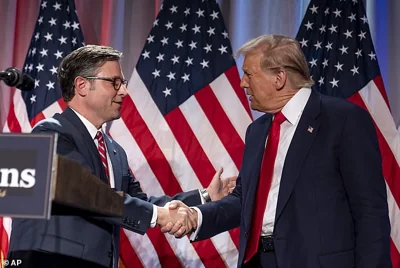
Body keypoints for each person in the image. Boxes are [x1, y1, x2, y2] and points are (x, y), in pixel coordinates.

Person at [164, 35, 391, 268]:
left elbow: (370, 213)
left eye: (249, 74)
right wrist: (197, 216)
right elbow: (244, 201)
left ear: (279, 78)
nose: (242, 83)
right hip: (258, 261)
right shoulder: (258, 130)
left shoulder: (342, 120)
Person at [7, 45, 234, 268]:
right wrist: (160, 216)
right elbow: (87, 193)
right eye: (114, 82)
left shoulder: (115, 151)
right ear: (82, 85)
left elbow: (137, 202)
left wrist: (203, 196)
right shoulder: (51, 133)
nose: (123, 91)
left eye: (122, 83)